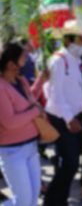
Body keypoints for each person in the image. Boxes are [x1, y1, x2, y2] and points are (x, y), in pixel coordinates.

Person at [43, 20, 82, 206]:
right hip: (63, 118)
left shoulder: (73, 61)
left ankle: (60, 200)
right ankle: (52, 202)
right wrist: (69, 118)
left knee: (69, 164)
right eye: (81, 39)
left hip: (72, 117)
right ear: (70, 40)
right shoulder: (59, 60)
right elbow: (54, 94)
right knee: (69, 164)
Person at [0, 42, 45, 206]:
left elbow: (29, 100)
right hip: (13, 152)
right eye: (22, 58)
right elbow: (10, 122)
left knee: (32, 200)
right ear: (11, 64)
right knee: (24, 201)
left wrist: (41, 80)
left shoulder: (20, 80)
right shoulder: (1, 87)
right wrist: (36, 111)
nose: (25, 61)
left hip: (31, 147)